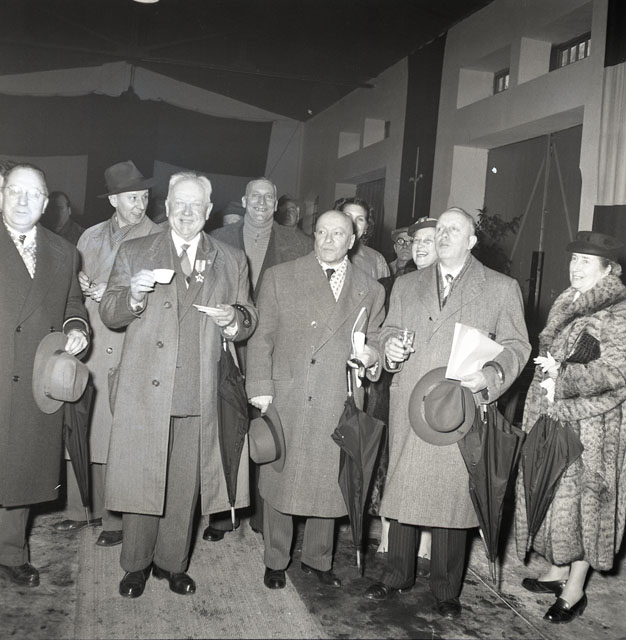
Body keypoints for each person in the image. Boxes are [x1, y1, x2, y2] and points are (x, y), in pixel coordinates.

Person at [364, 207, 530, 619]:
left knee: (452, 499)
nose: (443, 235)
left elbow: (517, 346)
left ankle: (446, 589)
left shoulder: (500, 287)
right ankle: (397, 574)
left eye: (454, 230)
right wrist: (390, 349)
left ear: (472, 241)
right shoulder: (407, 283)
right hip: (412, 402)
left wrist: (490, 376)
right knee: (404, 488)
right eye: (440, 229)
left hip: (460, 405)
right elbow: (388, 331)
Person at [99, 171, 257, 598]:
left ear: (209, 211)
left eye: (196, 205)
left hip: (199, 387)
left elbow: (248, 317)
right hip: (146, 388)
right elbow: (110, 311)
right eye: (179, 204)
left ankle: (172, 563)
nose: (187, 212)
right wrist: (132, 297)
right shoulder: (135, 250)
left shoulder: (231, 258)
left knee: (186, 482)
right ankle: (135, 565)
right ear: (166, 207)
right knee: (142, 476)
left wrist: (235, 319)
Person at [246, 209, 385, 590]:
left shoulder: (370, 289)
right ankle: (276, 558)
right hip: (288, 392)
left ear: (352, 241)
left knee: (328, 480)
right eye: (321, 232)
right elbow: (261, 337)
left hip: (336, 395)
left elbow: (376, 338)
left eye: (337, 234)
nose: (327, 240)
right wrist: (259, 385)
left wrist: (372, 355)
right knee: (281, 475)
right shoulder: (281, 276)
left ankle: (318, 559)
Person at [515, 230, 626, 624]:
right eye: (574, 258)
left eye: (586, 261)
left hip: (593, 426)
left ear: (608, 270)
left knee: (586, 505)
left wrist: (562, 378)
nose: (576, 267)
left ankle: (575, 588)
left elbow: (616, 372)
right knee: (555, 495)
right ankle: (557, 570)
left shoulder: (617, 311)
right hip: (558, 416)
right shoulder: (569, 300)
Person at [52, 161, 160, 547]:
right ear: (113, 200)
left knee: (119, 433)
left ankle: (115, 519)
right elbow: (71, 288)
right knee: (85, 426)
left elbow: (162, 296)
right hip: (93, 343)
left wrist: (115, 294)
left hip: (132, 342)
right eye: (132, 198)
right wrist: (81, 283)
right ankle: (83, 510)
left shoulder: (158, 237)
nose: (140, 204)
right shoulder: (90, 236)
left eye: (144, 197)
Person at [0, 163, 89, 588]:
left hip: (33, 381)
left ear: (46, 202)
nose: (22, 201)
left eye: (32, 194)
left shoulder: (64, 252)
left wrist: (76, 328)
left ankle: (11, 553)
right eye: (15, 191)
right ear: (1, 194)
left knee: (17, 471)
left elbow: (73, 303)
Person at [209, 177, 312, 539]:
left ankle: (265, 517)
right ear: (244, 200)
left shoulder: (300, 244)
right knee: (226, 425)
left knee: (270, 429)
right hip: (228, 346)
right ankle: (222, 514)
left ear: (277, 204)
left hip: (275, 349)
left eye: (269, 197)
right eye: (256, 196)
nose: (262, 202)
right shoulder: (218, 239)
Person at [371, 217, 438, 558]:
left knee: (428, 464)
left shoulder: (451, 286)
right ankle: (388, 530)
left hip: (434, 388)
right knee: (390, 458)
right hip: (392, 383)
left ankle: (425, 539)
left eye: (429, 240)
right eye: (414, 241)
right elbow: (380, 330)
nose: (418, 247)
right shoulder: (394, 284)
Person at [334, 196, 390, 280]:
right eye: (348, 216)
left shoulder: (377, 260)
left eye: (360, 219)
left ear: (366, 227)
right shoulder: (322, 252)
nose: (353, 223)